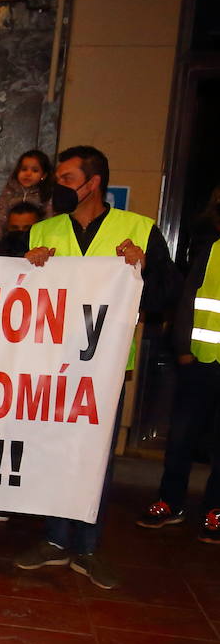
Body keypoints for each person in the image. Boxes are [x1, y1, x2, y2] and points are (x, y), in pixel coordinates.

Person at [14, 145, 177, 589]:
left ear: (94, 183)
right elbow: (13, 297)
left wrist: (141, 269)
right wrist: (27, 268)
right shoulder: (42, 231)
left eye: (66, 179)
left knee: (95, 458)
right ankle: (54, 538)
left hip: (103, 369)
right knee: (52, 450)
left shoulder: (139, 230)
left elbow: (165, 297)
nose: (58, 187)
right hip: (51, 364)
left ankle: (86, 545)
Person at [137, 184, 220, 542]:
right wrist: (183, 347)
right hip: (199, 361)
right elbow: (188, 301)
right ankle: (170, 502)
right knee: (182, 436)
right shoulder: (211, 250)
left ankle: (216, 509)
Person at [0, 149, 55, 239]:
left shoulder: (45, 194)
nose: (28, 174)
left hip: (35, 239)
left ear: (43, 175)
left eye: (35, 170)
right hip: (11, 239)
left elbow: (49, 221)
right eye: (24, 169)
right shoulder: (10, 191)